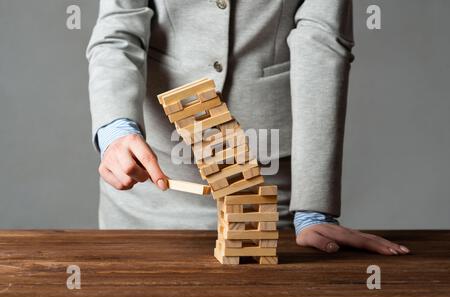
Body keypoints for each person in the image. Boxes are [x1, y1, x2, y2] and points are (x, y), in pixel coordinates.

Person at [86, 0, 409, 255]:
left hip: (268, 188)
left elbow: (322, 39)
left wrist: (313, 208)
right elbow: (118, 31)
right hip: (154, 185)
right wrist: (116, 130)